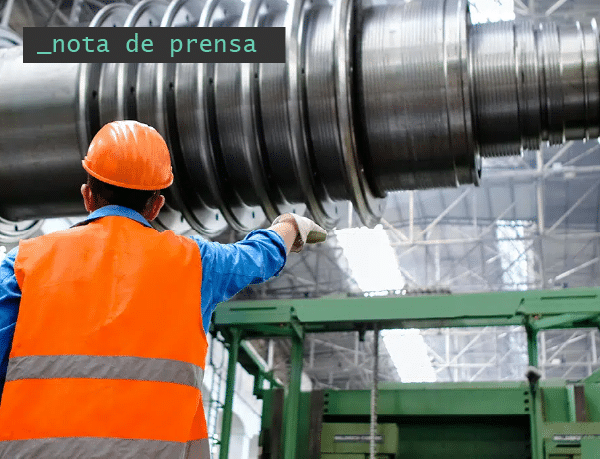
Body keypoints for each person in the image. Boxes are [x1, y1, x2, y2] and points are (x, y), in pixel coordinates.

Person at [0, 120, 326, 458]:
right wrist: (290, 226)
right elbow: (258, 258)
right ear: (156, 205)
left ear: (87, 196)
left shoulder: (24, 263)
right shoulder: (197, 263)